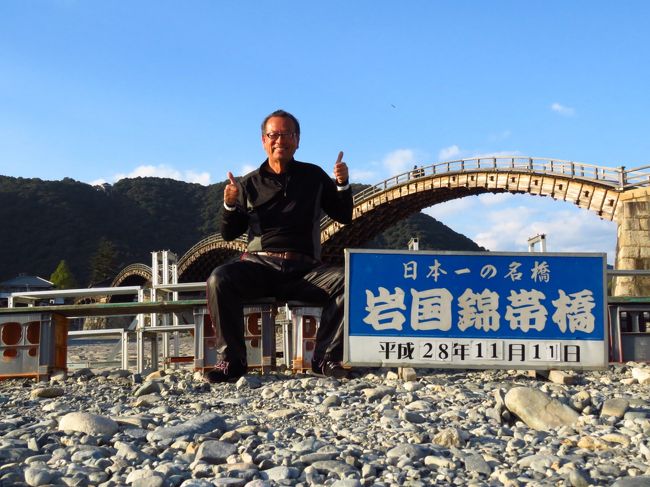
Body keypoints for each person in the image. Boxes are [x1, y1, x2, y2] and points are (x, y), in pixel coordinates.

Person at [205, 109, 353, 383]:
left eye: (287, 134)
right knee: (219, 279)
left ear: (297, 140)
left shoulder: (315, 177)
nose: (280, 140)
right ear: (264, 140)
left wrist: (342, 185)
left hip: (304, 270)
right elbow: (230, 233)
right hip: (259, 267)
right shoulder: (248, 183)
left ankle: (325, 358)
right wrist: (229, 204)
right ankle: (233, 362)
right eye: (274, 135)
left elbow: (343, 216)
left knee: (350, 280)